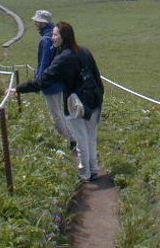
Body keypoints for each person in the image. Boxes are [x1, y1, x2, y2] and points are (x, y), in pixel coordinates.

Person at [14, 21, 104, 182]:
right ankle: (94, 169)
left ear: (64, 38)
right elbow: (97, 76)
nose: (52, 37)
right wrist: (98, 96)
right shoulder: (85, 51)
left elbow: (43, 80)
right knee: (91, 136)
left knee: (81, 138)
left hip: (76, 103)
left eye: (55, 35)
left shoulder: (63, 58)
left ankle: (85, 172)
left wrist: (19, 88)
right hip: (93, 99)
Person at [30, 10, 75, 149]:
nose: (35, 23)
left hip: (50, 82)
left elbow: (44, 63)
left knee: (56, 114)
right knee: (60, 111)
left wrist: (39, 82)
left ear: (43, 23)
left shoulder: (45, 40)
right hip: (59, 79)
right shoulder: (56, 35)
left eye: (37, 21)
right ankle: (73, 137)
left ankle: (73, 140)